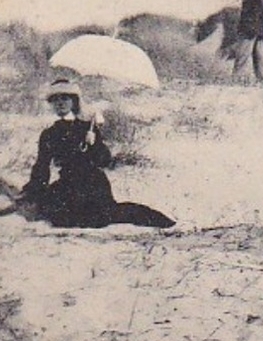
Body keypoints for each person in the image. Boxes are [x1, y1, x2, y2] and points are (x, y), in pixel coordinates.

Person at [15, 78, 174, 229]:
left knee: (106, 215)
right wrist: (34, 191)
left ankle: (162, 221)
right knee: (54, 214)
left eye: (65, 98)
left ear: (73, 101)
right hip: (67, 185)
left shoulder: (87, 127)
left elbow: (104, 160)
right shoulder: (49, 134)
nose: (60, 103)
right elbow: (42, 166)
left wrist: (94, 144)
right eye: (55, 99)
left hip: (93, 185)